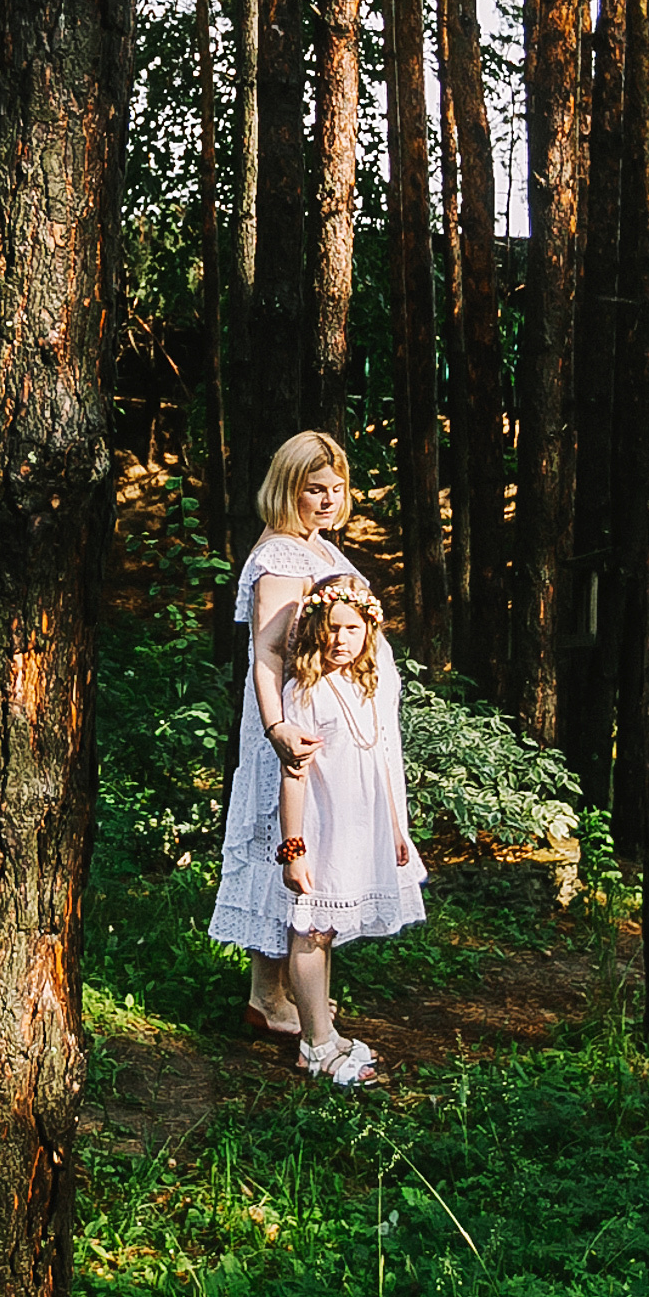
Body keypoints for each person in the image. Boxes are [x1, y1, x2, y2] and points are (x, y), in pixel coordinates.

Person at [207, 430, 393, 1036]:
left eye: (337, 489)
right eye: (315, 489)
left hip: (329, 719)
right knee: (288, 846)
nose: (329, 500)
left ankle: (277, 994)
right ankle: (273, 998)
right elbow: (267, 651)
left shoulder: (318, 549)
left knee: (302, 846)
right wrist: (277, 725)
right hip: (295, 723)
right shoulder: (283, 555)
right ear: (289, 488)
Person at [276, 576, 424, 1084]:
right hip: (321, 825)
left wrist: (396, 827)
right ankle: (315, 1044)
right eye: (332, 628)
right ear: (317, 630)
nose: (341, 639)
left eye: (352, 629)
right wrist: (293, 848)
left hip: (358, 827)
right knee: (310, 928)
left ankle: (325, 1031)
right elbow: (294, 776)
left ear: (369, 632)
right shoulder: (305, 690)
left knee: (328, 930)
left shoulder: (367, 686)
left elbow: (382, 760)